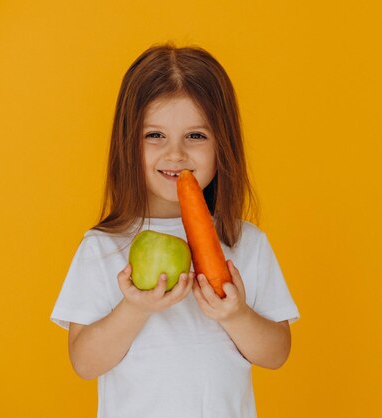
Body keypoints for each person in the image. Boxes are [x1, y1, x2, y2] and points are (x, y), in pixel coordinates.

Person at [50, 43, 300, 418]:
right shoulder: (103, 248)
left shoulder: (245, 243)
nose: (175, 154)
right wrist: (134, 307)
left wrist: (236, 315)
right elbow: (84, 363)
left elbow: (277, 353)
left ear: (223, 145)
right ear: (128, 143)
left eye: (196, 136)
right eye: (154, 135)